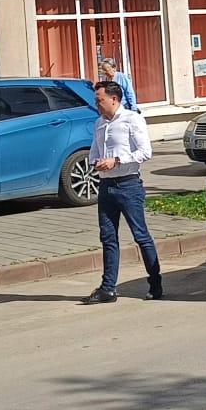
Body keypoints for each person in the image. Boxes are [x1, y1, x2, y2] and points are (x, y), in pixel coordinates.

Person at [85, 78, 161, 303]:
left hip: (128, 185)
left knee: (140, 235)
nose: (97, 104)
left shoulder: (132, 119)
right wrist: (96, 162)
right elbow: (94, 152)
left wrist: (116, 160)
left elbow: (145, 152)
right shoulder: (99, 123)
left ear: (114, 99)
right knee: (108, 237)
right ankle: (108, 289)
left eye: (100, 100)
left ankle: (155, 283)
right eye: (96, 100)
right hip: (106, 186)